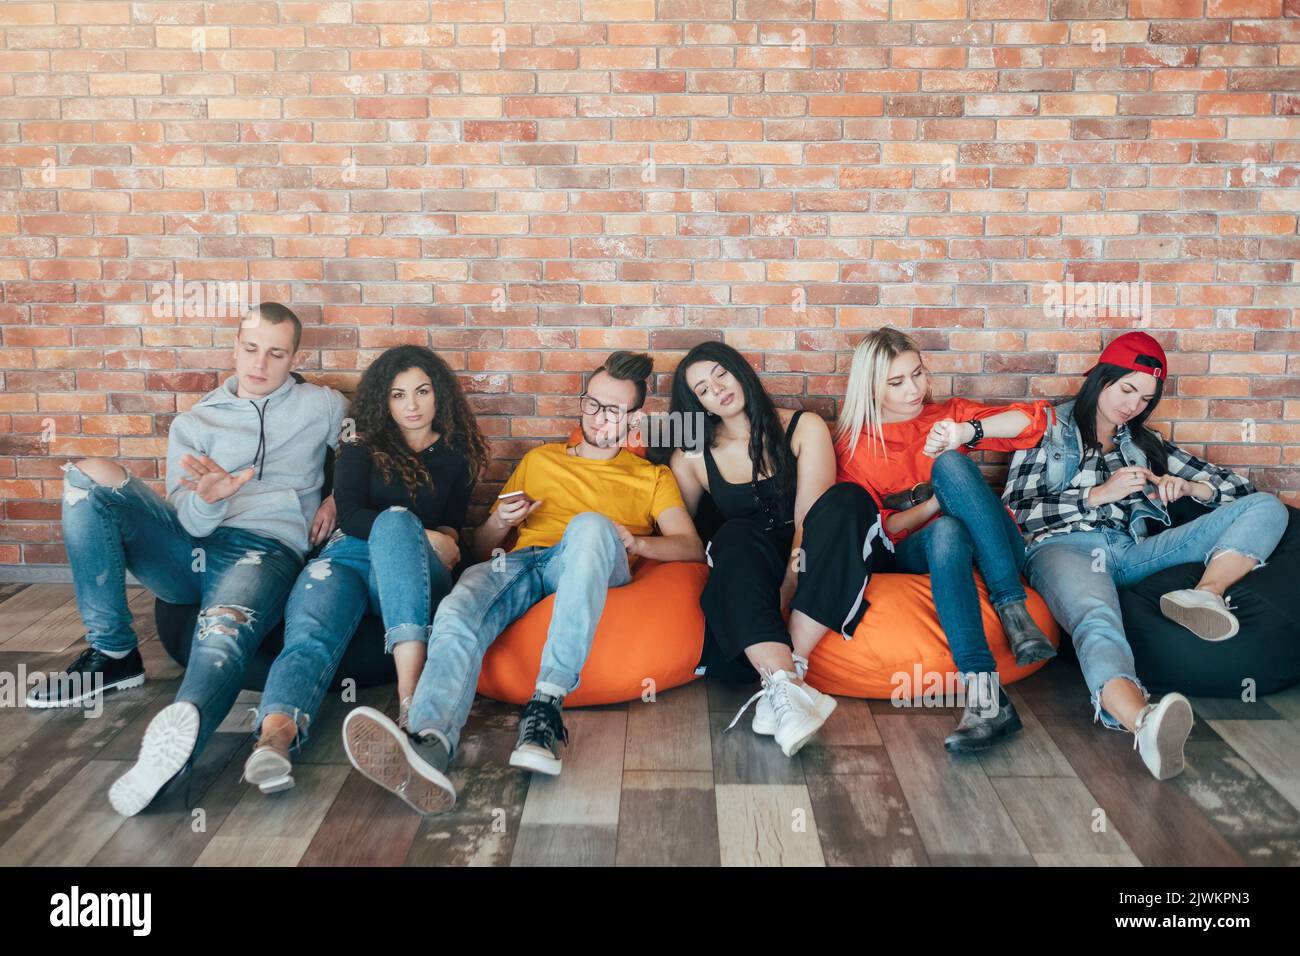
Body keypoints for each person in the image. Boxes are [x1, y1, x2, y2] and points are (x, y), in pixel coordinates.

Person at [340, 351, 704, 814]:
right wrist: (498, 519)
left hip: (590, 556)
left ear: (635, 417)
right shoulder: (540, 459)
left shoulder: (652, 476)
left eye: (612, 410)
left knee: (590, 525)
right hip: (522, 561)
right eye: (591, 403)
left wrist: (636, 543)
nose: (597, 417)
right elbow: (480, 545)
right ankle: (428, 741)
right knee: (458, 605)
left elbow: (690, 546)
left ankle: (545, 709)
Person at [32, 302, 347, 817]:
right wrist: (212, 496)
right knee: (85, 476)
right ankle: (113, 655)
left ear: (295, 357)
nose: (259, 364)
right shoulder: (196, 421)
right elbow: (191, 521)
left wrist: (338, 499)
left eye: (275, 353)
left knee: (221, 632)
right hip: (192, 546)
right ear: (235, 346)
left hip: (262, 549)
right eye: (250, 349)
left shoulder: (324, 405)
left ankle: (178, 741)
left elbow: (365, 450)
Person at [1003, 331, 1288, 779]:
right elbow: (1017, 515)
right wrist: (1097, 495)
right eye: (1127, 389)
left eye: (1145, 398)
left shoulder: (1144, 444)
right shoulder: (1046, 428)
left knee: (1268, 507)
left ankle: (1206, 595)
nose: (1133, 405)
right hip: (1063, 550)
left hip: (1132, 552)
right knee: (1097, 620)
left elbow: (1239, 489)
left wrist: (1189, 487)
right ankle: (1144, 722)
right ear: (1101, 379)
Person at [241, 345, 489, 795]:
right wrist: (421, 529)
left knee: (395, 523)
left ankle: (411, 710)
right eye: (398, 395)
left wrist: (438, 538)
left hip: (412, 568)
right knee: (309, 632)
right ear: (383, 400)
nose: (411, 405)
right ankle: (274, 740)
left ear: (440, 396)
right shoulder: (360, 446)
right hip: (348, 556)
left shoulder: (456, 457)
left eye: (421, 392)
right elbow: (350, 513)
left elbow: (454, 521)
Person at [835, 327, 1057, 752]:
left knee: (951, 464)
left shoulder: (946, 415)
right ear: (871, 387)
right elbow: (885, 529)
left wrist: (965, 434)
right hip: (916, 551)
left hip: (999, 548)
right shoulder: (855, 446)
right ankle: (986, 697)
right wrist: (941, 503)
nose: (914, 389)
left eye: (918, 374)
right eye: (896, 382)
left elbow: (1035, 421)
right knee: (947, 528)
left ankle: (1014, 612)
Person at [665, 342, 883, 757]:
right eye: (703, 390)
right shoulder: (690, 457)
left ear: (738, 369)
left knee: (847, 500)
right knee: (730, 536)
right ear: (697, 404)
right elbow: (689, 534)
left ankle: (786, 674)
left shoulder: (804, 426)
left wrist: (788, 583)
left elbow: (809, 519)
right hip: (750, 563)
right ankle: (785, 687)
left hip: (815, 551)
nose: (718, 390)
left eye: (720, 374)